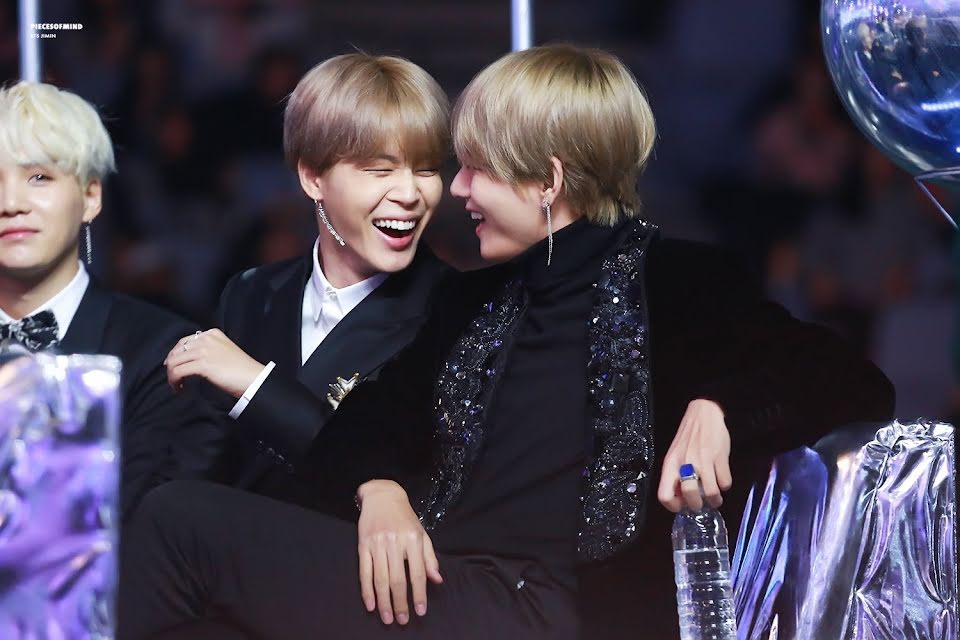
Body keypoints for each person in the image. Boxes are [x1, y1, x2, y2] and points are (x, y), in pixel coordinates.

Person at [120, 45, 894, 639]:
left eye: (474, 170)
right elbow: (367, 425)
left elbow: (852, 378)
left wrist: (718, 405)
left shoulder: (679, 280)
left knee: (179, 522)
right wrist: (379, 490)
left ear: (546, 182)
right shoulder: (473, 298)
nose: (454, 191)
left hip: (558, 613)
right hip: (442, 586)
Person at [161, 53, 450, 492]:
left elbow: (404, 474)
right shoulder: (251, 293)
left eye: (427, 169)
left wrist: (255, 385)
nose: (410, 193)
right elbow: (198, 469)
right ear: (313, 177)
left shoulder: (454, 307)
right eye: (380, 170)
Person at [0, 81, 216, 520]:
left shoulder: (161, 352)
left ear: (90, 197)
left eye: (39, 177)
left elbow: (146, 520)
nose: (11, 203)